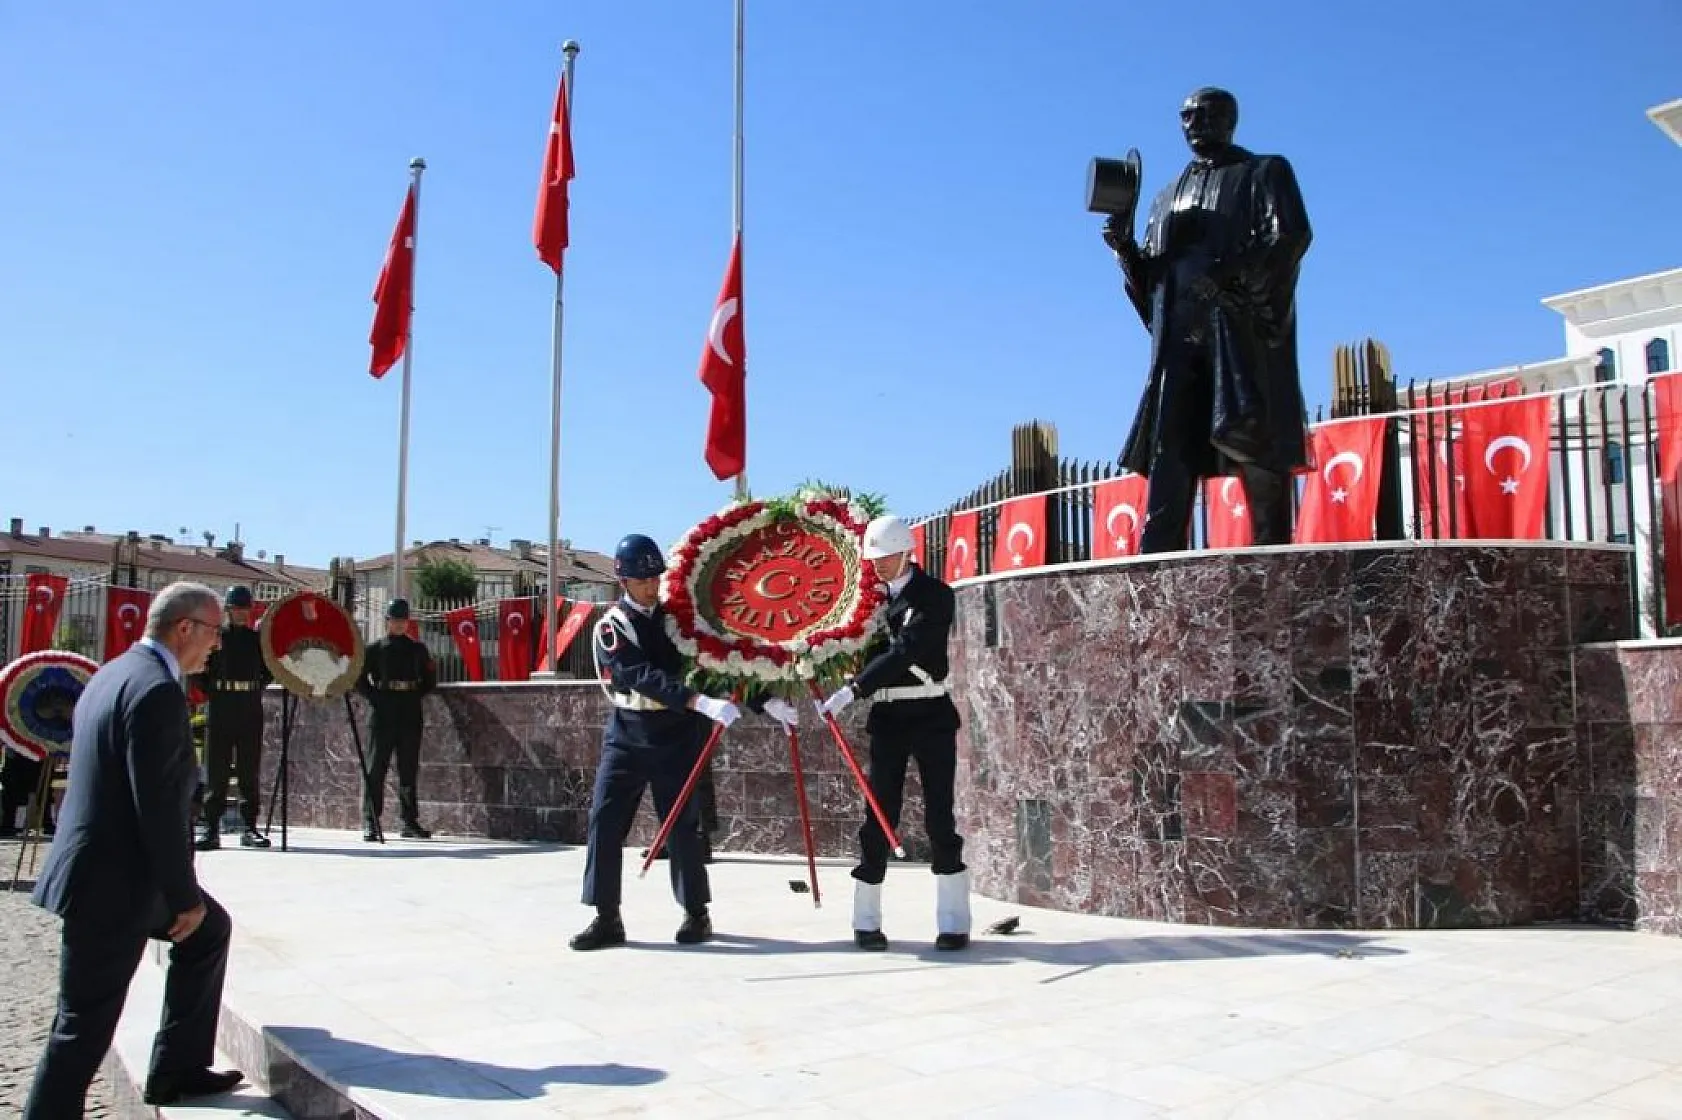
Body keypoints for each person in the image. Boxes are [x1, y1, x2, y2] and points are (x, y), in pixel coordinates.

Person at [24, 582, 243, 1115]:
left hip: (106, 869)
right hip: (111, 884)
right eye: (215, 631)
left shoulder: (114, 673)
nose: (218, 644)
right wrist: (183, 896)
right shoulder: (156, 692)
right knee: (81, 1026)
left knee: (210, 932)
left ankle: (180, 1068)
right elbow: (159, 809)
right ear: (184, 627)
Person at [1103, 86, 1313, 552]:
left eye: (1208, 114)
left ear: (1231, 120)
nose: (1196, 124)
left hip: (1238, 335)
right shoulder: (1163, 200)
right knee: (1170, 454)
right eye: (1187, 116)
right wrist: (1125, 250)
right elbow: (1154, 284)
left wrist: (1228, 276)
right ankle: (1157, 562)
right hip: (1179, 346)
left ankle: (1272, 556)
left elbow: (1290, 237)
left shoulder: (1262, 171)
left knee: (1257, 448)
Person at [570, 533, 798, 951]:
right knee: (604, 820)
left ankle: (696, 911)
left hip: (676, 734)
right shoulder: (612, 627)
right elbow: (640, 675)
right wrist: (699, 702)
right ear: (623, 580)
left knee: (683, 827)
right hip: (629, 733)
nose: (650, 586)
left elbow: (715, 665)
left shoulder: (677, 622)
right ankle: (606, 916)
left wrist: (762, 703)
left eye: (654, 577)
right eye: (641, 580)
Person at [815, 515, 969, 951]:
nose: (878, 566)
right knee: (878, 814)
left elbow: (907, 651)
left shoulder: (935, 596)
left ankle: (954, 921)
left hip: (930, 713)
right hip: (888, 718)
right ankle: (866, 920)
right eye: (873, 560)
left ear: (907, 551)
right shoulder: (865, 603)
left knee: (940, 814)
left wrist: (853, 689)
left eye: (885, 557)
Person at [192, 585, 272, 850]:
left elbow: (271, 667)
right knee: (217, 768)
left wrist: (257, 686)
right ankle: (210, 827)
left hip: (249, 704)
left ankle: (249, 826)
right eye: (236, 609)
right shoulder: (216, 637)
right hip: (221, 704)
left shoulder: (256, 640)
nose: (240, 613)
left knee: (250, 767)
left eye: (244, 609)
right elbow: (195, 667)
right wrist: (212, 690)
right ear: (227, 610)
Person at [356, 598, 437, 841]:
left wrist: (413, 697)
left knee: (408, 768)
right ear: (387, 621)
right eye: (395, 620)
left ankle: (409, 821)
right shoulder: (374, 649)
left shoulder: (417, 649)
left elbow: (429, 679)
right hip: (383, 711)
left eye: (403, 620)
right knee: (375, 768)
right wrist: (376, 698)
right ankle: (371, 821)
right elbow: (359, 680)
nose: (399, 625)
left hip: (409, 710)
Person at [0, 749, 53, 837]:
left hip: (37, 752)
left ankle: (47, 822)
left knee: (44, 790)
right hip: (17, 752)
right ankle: (11, 824)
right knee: (13, 791)